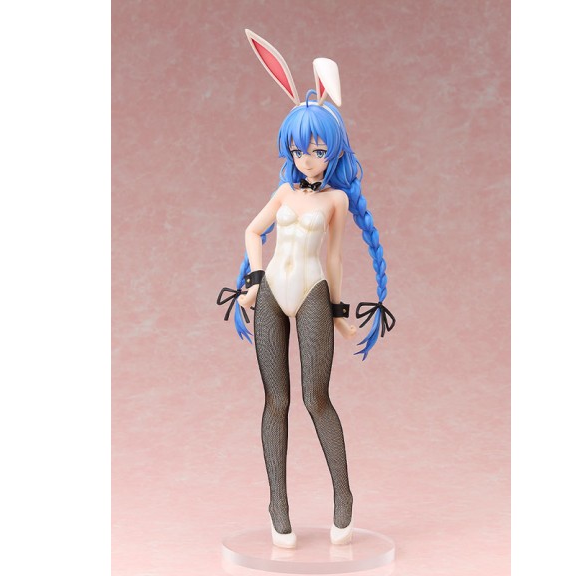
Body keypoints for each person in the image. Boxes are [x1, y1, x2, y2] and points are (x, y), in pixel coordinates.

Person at [217, 30, 395, 548]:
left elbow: (335, 257)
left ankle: (343, 495)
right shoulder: (283, 192)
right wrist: (253, 281)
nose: (306, 159)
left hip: (313, 292)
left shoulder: (335, 201)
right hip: (273, 291)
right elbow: (253, 231)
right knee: (275, 401)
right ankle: (278, 504)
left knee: (317, 397)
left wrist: (338, 310)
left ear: (332, 149)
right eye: (298, 150)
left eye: (316, 150)